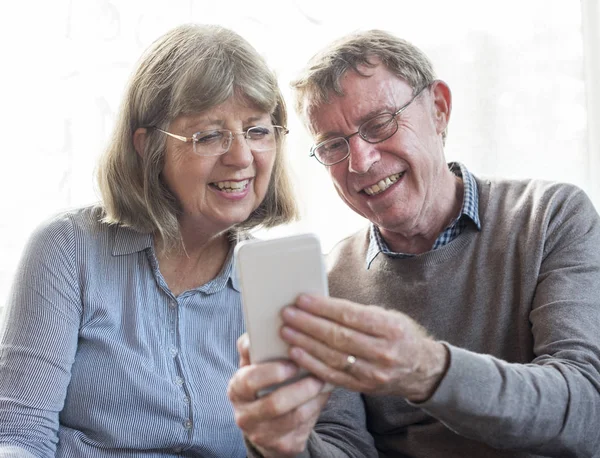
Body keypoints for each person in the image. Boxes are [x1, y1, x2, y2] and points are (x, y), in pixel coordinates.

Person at [227, 29, 600, 457]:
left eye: (379, 124)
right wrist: (287, 446)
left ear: (439, 110)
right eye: (333, 145)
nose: (361, 162)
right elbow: (346, 447)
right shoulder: (330, 280)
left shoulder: (550, 216)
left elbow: (587, 409)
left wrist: (427, 369)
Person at [0, 24, 297, 457]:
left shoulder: (282, 279)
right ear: (148, 146)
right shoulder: (67, 248)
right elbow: (20, 434)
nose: (240, 158)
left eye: (256, 131)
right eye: (209, 135)